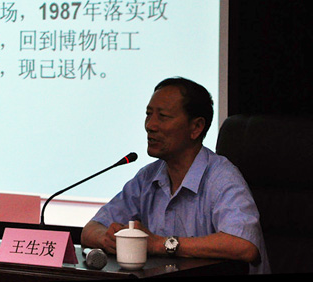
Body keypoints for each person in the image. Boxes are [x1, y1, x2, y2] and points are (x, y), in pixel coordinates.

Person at [81, 77, 270, 274]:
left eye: (163, 116)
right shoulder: (147, 178)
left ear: (196, 127)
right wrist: (107, 238)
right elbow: (90, 230)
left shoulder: (221, 178)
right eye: (148, 114)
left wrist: (161, 244)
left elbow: (244, 245)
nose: (150, 125)